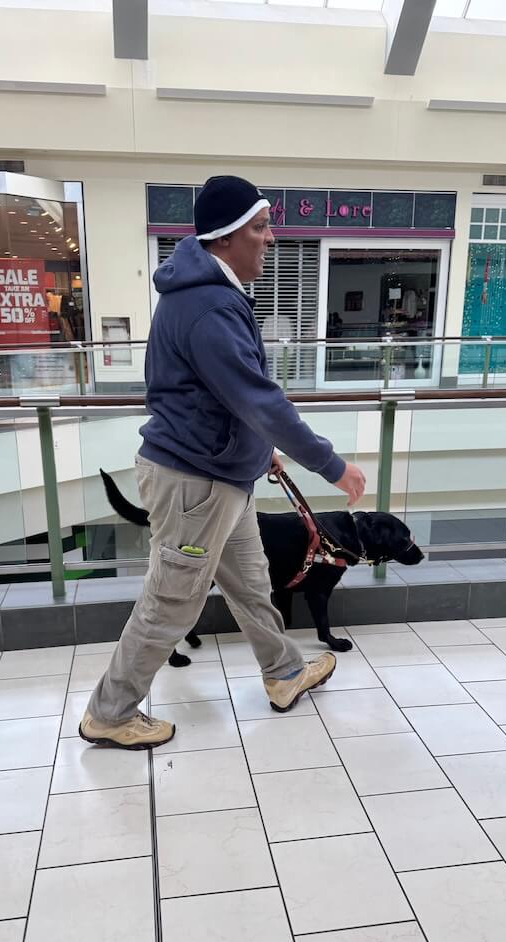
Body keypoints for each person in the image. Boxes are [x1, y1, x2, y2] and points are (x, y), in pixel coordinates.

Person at [80, 176, 366, 750]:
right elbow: (257, 396)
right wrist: (330, 465)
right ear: (225, 238)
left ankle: (284, 672)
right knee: (173, 598)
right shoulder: (209, 306)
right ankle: (110, 713)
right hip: (195, 482)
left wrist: (261, 451)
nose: (269, 240)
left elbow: (225, 398)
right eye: (259, 229)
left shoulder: (212, 292)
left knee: (251, 581)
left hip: (219, 476)